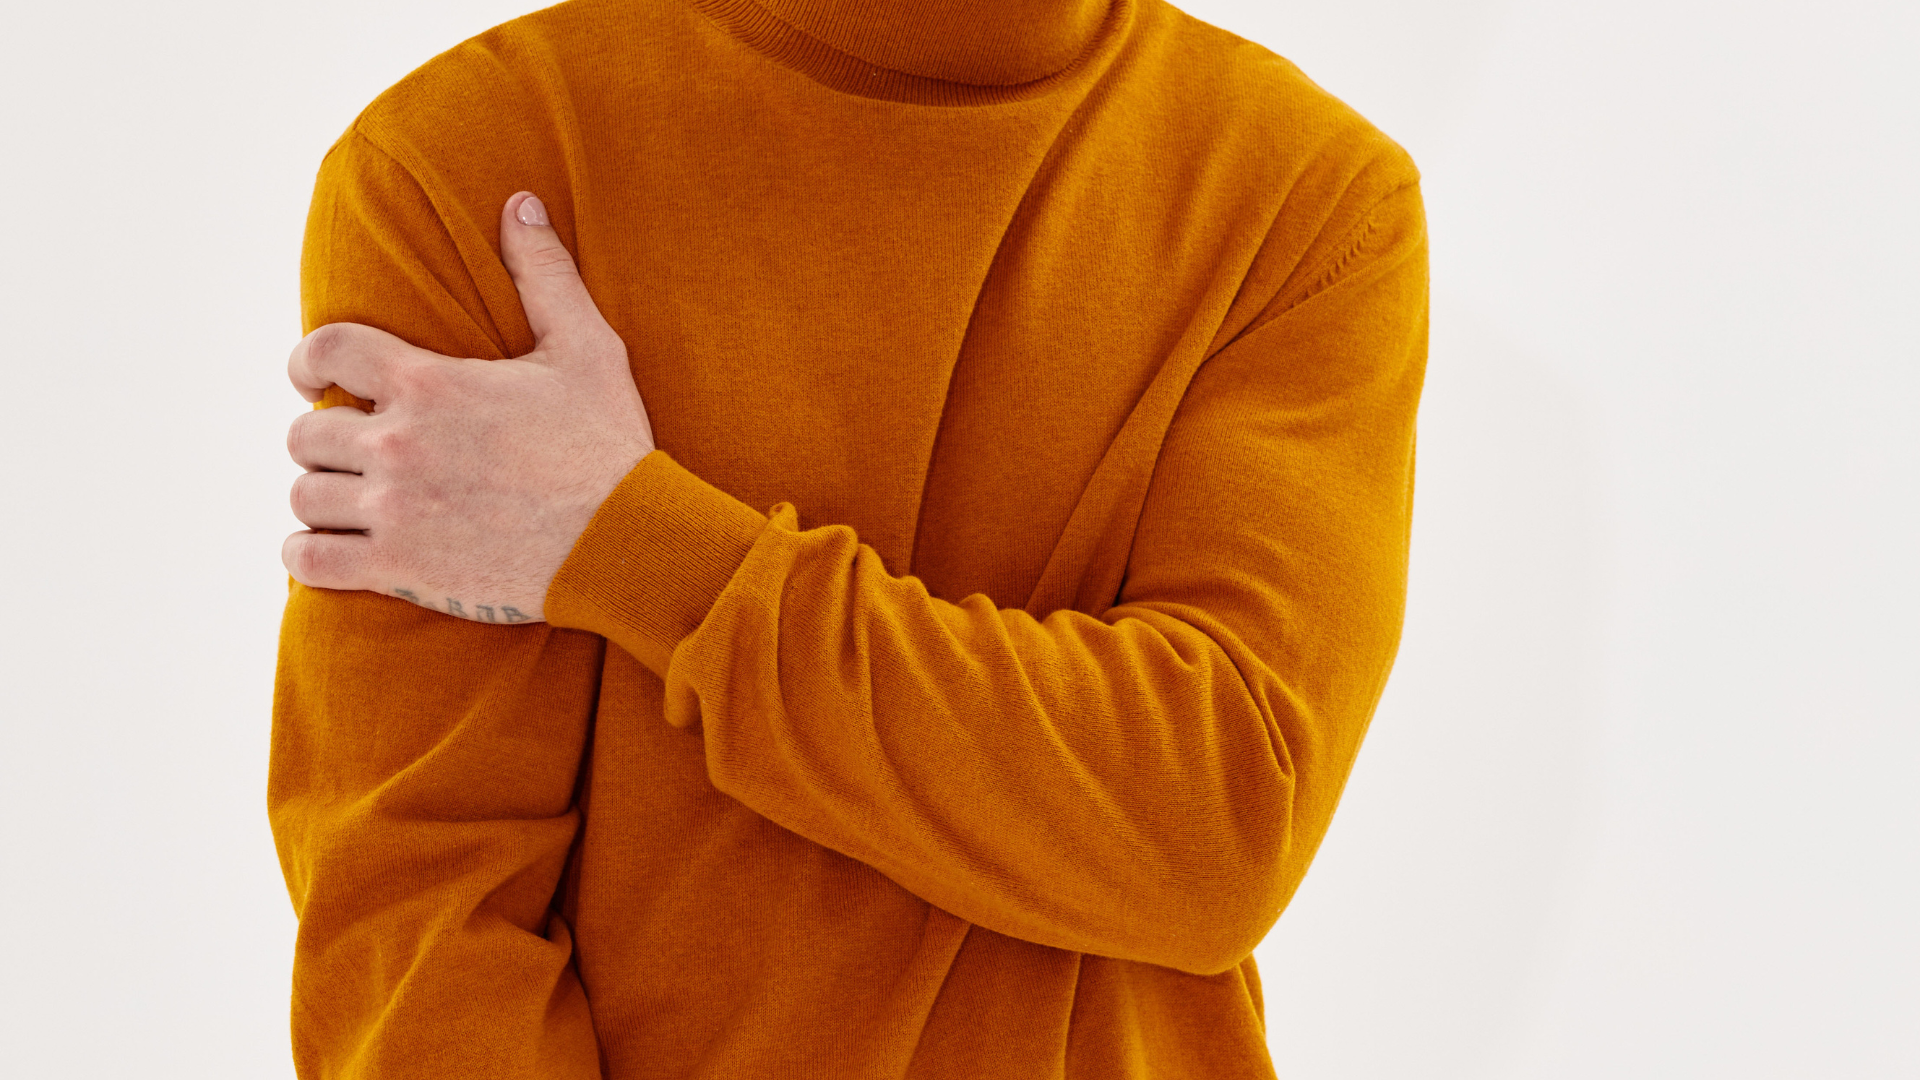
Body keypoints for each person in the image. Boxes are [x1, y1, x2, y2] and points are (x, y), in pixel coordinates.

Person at [269, 0, 1429, 1076]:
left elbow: (1216, 822)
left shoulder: (1304, 196)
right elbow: (416, 912)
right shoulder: (480, 156)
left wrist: (631, 545)